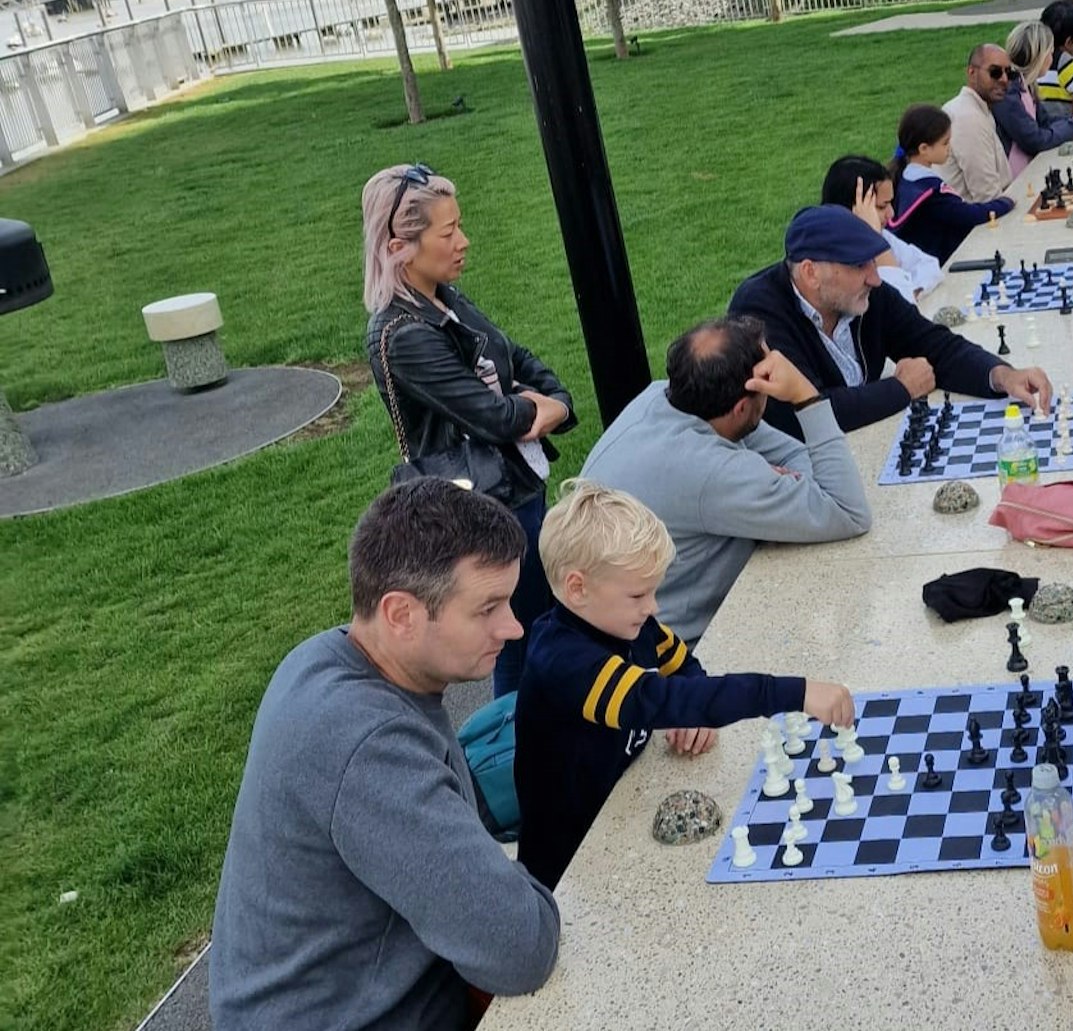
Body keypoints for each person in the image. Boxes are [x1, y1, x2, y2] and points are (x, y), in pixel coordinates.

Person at [209, 479, 561, 1028]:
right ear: (400, 614)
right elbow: (519, 948)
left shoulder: (327, 655)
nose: (513, 627)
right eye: (488, 607)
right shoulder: (368, 744)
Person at [513, 479, 857, 887]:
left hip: (627, 814)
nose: (653, 606)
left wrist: (694, 714)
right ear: (577, 588)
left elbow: (686, 670)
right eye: (639, 595)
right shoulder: (563, 661)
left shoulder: (632, 625)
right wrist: (796, 692)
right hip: (568, 862)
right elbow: (655, 699)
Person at [360, 163, 578, 699]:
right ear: (399, 245)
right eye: (448, 231)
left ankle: (543, 729)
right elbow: (494, 417)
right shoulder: (403, 334)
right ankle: (512, 747)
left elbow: (518, 359)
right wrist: (549, 411)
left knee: (535, 623)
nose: (464, 241)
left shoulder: (443, 298)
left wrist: (552, 402)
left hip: (516, 488)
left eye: (459, 225)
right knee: (513, 636)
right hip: (485, 503)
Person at [578, 317, 872, 644]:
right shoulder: (710, 469)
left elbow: (797, 458)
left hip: (608, 632)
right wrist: (805, 397)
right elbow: (848, 512)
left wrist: (763, 472)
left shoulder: (663, 396)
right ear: (742, 406)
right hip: (673, 657)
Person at [727, 205, 1052, 437]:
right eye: (859, 266)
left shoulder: (864, 296)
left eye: (873, 262)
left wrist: (1001, 375)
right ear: (811, 272)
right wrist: (901, 388)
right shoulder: (757, 312)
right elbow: (808, 411)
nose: (876, 278)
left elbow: (935, 345)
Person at [887, 103, 1015, 264]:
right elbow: (969, 215)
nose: (949, 147)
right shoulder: (930, 194)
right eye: (945, 143)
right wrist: (1005, 203)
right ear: (924, 148)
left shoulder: (907, 179)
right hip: (937, 264)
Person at [820, 154, 941, 305]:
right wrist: (875, 242)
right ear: (854, 208)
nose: (891, 214)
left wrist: (912, 290)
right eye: (881, 207)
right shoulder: (833, 259)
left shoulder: (882, 235)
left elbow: (929, 264)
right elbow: (900, 306)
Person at [997, 20, 1073, 173]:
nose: (1052, 59)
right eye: (1050, 53)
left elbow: (1045, 122)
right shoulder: (1009, 94)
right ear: (1040, 56)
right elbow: (1036, 140)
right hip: (1016, 175)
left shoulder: (1026, 84)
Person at [939, 44, 1016, 205]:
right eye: (995, 72)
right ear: (972, 73)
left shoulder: (977, 108)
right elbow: (987, 196)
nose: (1004, 79)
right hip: (973, 225)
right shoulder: (968, 118)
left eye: (1009, 73)